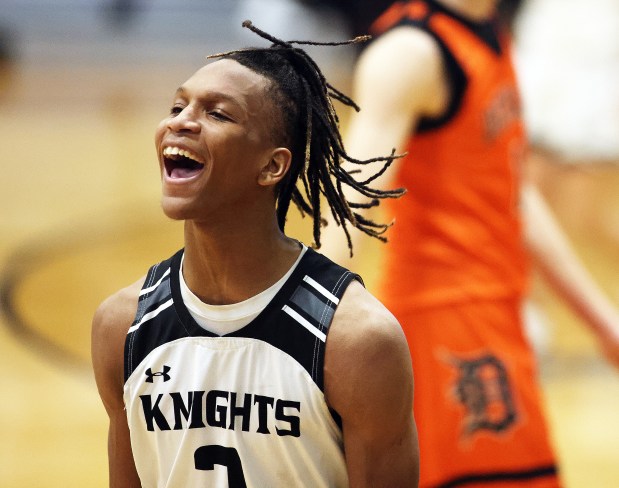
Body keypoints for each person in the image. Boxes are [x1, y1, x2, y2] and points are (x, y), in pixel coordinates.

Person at [91, 21, 419, 488]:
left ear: (272, 165)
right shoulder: (121, 326)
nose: (180, 122)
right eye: (178, 105)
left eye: (218, 114)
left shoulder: (358, 342)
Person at [320, 0, 619, 486]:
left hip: (498, 315)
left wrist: (602, 322)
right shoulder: (410, 52)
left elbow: (509, 187)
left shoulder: (489, 29)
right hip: (447, 330)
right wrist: (291, 329)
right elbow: (354, 202)